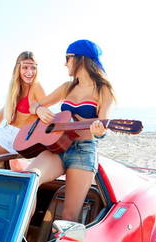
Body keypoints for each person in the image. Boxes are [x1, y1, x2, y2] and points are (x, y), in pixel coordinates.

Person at [27, 39, 115, 222]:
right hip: (57, 147)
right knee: (28, 180)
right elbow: (33, 105)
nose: (64, 63)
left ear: (80, 59)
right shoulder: (67, 87)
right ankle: (20, 239)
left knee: (69, 216)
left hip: (83, 151)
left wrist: (99, 129)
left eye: (67, 58)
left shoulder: (103, 89)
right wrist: (39, 110)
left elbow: (102, 127)